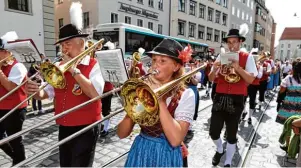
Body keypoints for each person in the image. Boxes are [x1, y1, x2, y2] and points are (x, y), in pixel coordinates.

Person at [25, 2, 104, 167]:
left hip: (86, 127)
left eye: (67, 44)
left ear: (81, 43)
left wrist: (74, 70)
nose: (63, 49)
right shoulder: (59, 66)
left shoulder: (94, 64)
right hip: (64, 126)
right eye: (62, 45)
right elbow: (46, 92)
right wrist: (34, 91)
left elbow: (95, 94)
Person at [117, 38, 195, 167]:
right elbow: (121, 133)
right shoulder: (143, 91)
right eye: (154, 60)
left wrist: (159, 99)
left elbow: (176, 140)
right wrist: (131, 107)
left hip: (167, 155)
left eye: (162, 61)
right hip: (141, 150)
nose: (155, 65)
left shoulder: (186, 95)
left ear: (176, 66)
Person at [208, 24, 258, 167]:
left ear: (240, 42)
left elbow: (251, 79)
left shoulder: (247, 57)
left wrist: (238, 68)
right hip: (220, 96)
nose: (231, 45)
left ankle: (228, 162)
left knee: (231, 133)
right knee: (213, 132)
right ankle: (219, 148)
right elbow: (211, 79)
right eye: (229, 42)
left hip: (236, 99)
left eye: (234, 42)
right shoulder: (221, 55)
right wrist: (214, 70)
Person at [0, 31, 27, 165]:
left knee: (15, 138)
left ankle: (20, 161)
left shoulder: (18, 66)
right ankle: (16, 158)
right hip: (1, 107)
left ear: (7, 52)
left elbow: (11, 87)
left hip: (15, 108)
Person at [241, 52, 263, 124]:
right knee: (243, 99)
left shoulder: (260, 67)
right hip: (246, 84)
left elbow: (259, 76)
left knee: (252, 101)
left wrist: (254, 69)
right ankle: (244, 112)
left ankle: (250, 117)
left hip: (254, 86)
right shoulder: (246, 65)